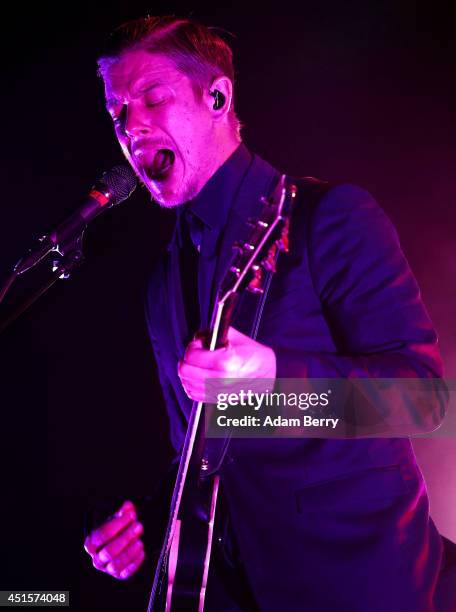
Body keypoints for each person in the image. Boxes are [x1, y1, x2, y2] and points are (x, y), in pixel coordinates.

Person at [83, 15, 448, 611]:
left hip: (364, 588)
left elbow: (425, 402)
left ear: (218, 97)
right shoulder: (160, 285)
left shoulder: (328, 217)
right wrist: (150, 522)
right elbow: (203, 451)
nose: (133, 126)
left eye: (153, 98)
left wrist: (275, 380)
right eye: (118, 113)